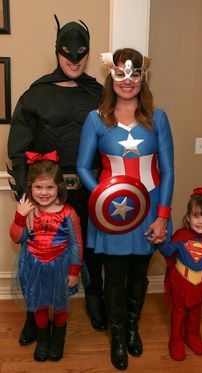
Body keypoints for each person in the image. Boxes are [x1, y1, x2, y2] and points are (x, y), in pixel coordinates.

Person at [7, 15, 107, 345]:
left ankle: (94, 300)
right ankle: (32, 315)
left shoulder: (100, 94)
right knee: (35, 253)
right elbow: (19, 151)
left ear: (89, 52)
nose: (74, 59)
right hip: (45, 193)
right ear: (57, 51)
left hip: (89, 191)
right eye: (68, 52)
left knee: (89, 251)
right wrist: (29, 199)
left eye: (81, 52)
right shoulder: (35, 95)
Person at [77, 48, 174, 370]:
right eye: (121, 73)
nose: (128, 80)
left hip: (149, 212)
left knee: (138, 276)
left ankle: (132, 328)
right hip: (111, 216)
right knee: (114, 278)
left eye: (135, 74)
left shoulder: (158, 117)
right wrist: (105, 198)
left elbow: (169, 170)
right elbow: (82, 168)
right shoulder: (96, 119)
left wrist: (161, 217)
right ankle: (117, 337)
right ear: (111, 75)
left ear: (143, 77)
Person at [9, 150, 83, 362]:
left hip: (60, 266)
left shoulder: (68, 213)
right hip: (33, 266)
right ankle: (43, 339)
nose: (44, 192)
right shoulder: (28, 211)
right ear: (30, 188)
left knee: (60, 305)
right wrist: (20, 216)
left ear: (59, 187)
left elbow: (77, 244)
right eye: (38, 187)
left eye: (49, 187)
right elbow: (16, 237)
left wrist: (74, 271)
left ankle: (58, 340)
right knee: (40, 304)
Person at [158, 186, 202, 361]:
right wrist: (160, 240)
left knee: (196, 312)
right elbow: (167, 251)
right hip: (181, 283)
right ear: (188, 218)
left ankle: (192, 336)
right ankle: (176, 339)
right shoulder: (181, 236)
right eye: (196, 216)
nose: (201, 221)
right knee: (179, 311)